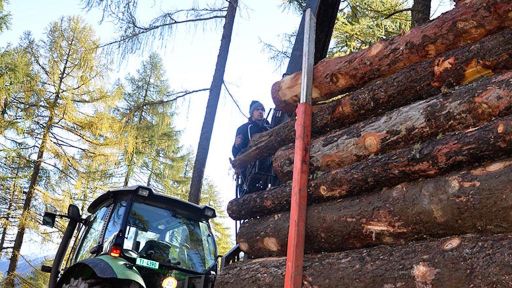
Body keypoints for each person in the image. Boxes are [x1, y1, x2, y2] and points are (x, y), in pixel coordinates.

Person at [232, 100, 272, 196]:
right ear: (251, 112)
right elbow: (236, 152)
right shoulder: (244, 128)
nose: (260, 112)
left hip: (268, 167)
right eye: (257, 109)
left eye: (262, 110)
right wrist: (236, 145)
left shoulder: (269, 128)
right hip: (249, 169)